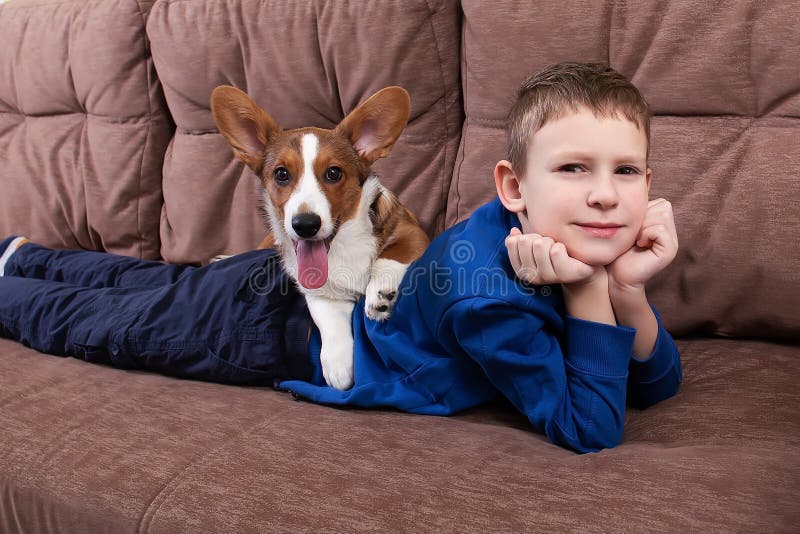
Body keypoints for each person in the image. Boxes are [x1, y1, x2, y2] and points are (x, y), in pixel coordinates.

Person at [0, 62, 681, 454]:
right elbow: (591, 428)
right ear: (514, 188)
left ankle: (20, 254)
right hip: (268, 326)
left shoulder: (535, 240)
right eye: (573, 167)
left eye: (625, 171)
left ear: (649, 183)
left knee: (151, 285)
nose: (603, 194)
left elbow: (654, 386)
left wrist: (627, 292)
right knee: (105, 323)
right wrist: (592, 291)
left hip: (291, 284)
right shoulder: (488, 301)